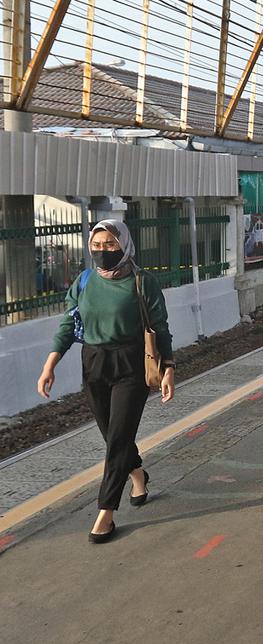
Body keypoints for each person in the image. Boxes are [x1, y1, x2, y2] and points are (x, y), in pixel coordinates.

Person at [37, 219, 176, 543]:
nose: (103, 252)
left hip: (132, 365)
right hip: (95, 364)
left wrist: (169, 367)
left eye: (110, 245)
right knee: (112, 435)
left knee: (117, 438)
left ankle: (106, 511)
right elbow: (68, 325)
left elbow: (161, 326)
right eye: (97, 246)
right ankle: (138, 474)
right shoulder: (84, 281)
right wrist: (50, 364)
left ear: (124, 245)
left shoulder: (143, 282)